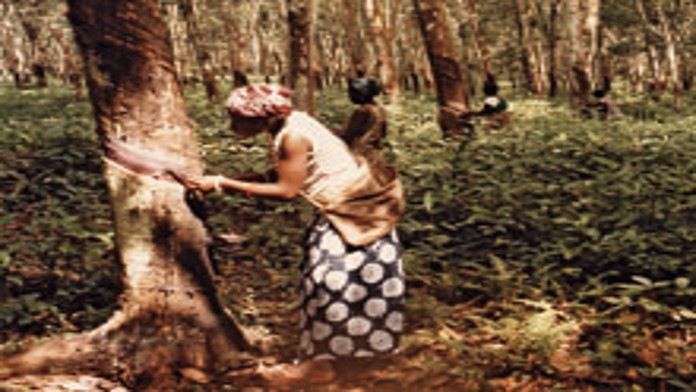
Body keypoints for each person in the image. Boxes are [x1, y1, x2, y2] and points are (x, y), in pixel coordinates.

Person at [183, 84, 405, 386]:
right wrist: (226, 181)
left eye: (238, 119)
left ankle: (319, 366)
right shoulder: (291, 125)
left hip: (352, 213)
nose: (232, 126)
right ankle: (353, 358)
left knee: (327, 285)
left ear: (261, 118)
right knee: (346, 284)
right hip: (355, 212)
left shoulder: (293, 136)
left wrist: (222, 183)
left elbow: (287, 189)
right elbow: (284, 175)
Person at [336, 76, 391, 184]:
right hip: (376, 154)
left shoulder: (362, 111)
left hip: (360, 154)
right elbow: (383, 133)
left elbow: (348, 135)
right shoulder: (379, 110)